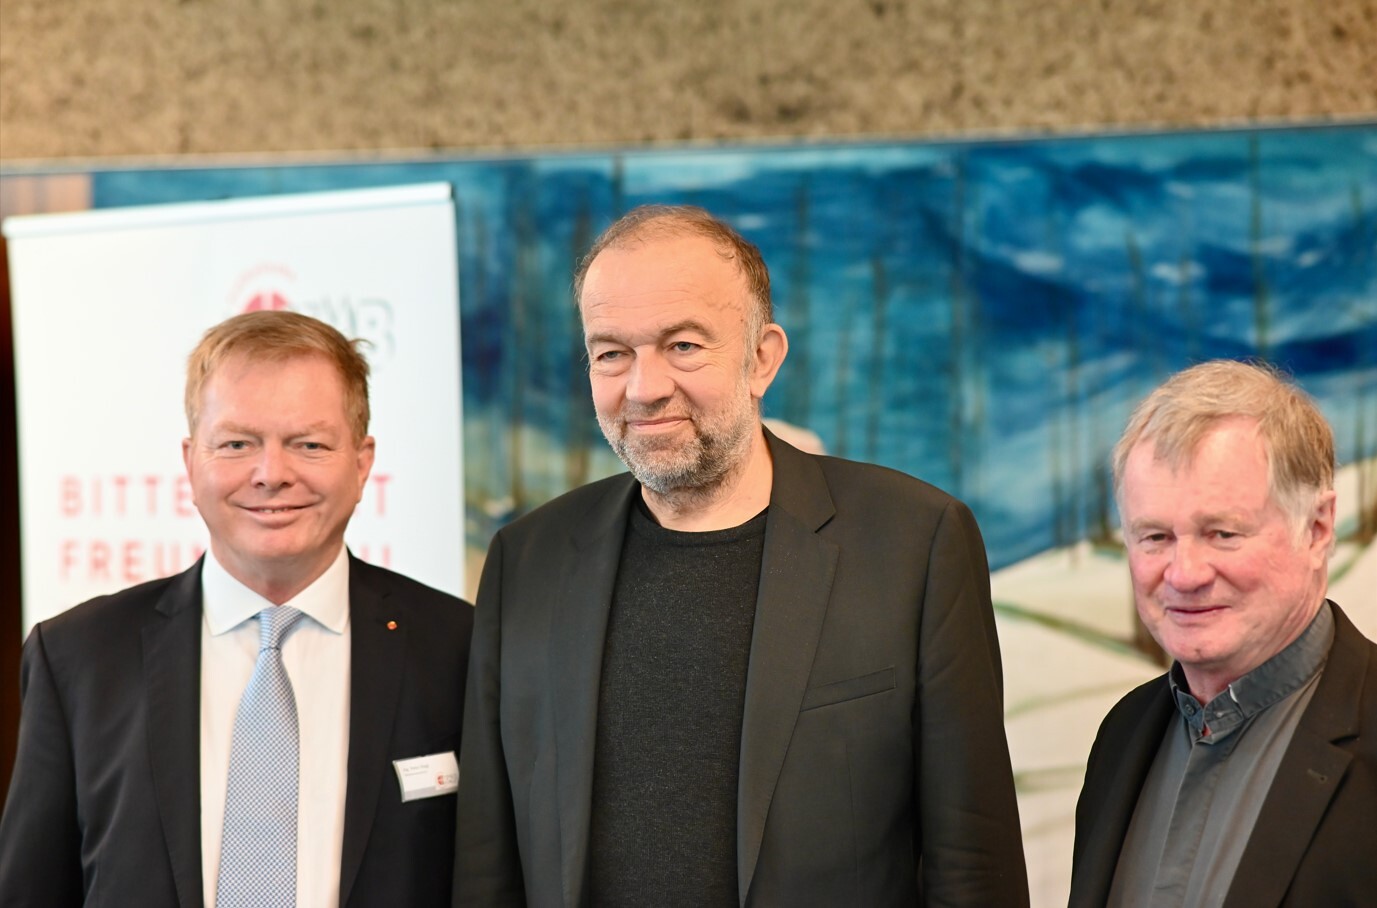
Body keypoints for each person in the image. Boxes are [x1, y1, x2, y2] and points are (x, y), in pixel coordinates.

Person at [457, 205, 1028, 906]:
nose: (644, 388)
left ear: (762, 358)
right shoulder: (527, 560)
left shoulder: (915, 542)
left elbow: (973, 862)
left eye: (683, 345)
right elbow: (487, 863)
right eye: (611, 353)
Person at [0, 310, 473, 907]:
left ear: (361, 464)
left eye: (309, 444)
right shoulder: (78, 657)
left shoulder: (459, 648)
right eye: (237, 444)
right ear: (190, 461)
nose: (271, 474)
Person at [1069, 360, 1377, 907]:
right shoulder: (1121, 736)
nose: (1184, 574)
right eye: (1156, 537)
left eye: (1222, 533)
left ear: (1317, 528)